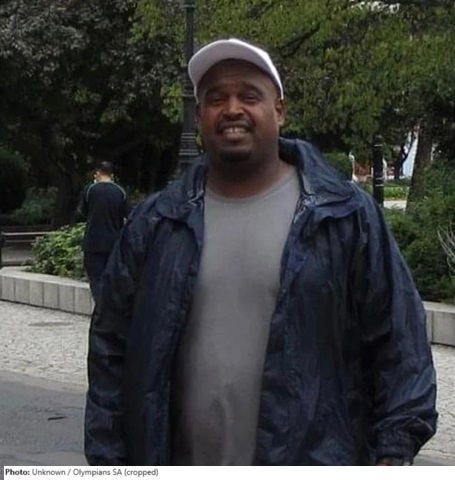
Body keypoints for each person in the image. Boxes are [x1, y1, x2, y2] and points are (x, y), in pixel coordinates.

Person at [85, 38, 437, 466]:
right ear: (199, 116)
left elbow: (398, 340)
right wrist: (109, 462)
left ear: (279, 111)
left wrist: (393, 453)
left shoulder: (346, 216)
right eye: (216, 99)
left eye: (249, 96)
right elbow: (111, 347)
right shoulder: (157, 223)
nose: (232, 109)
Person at [78, 161, 130, 303]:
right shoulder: (120, 192)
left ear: (97, 173)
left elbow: (82, 212)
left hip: (93, 242)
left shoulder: (90, 190)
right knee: (113, 278)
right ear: (111, 175)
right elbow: (129, 215)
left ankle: (100, 307)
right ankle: (110, 307)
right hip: (114, 242)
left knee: (96, 279)